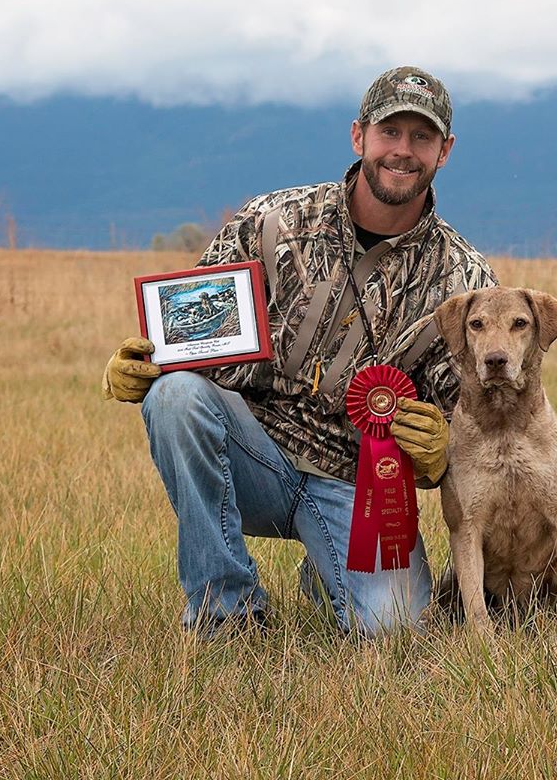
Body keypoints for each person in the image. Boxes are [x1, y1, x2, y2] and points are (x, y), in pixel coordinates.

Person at [102, 66, 498, 639]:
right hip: (252, 453)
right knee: (175, 396)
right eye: (390, 132)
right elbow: (193, 330)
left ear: (446, 151)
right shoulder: (272, 223)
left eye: (422, 137)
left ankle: (326, 564)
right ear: (359, 136)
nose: (403, 151)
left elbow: (470, 413)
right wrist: (145, 365)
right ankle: (225, 610)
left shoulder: (464, 280)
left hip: (358, 488)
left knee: (396, 630)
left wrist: (443, 451)